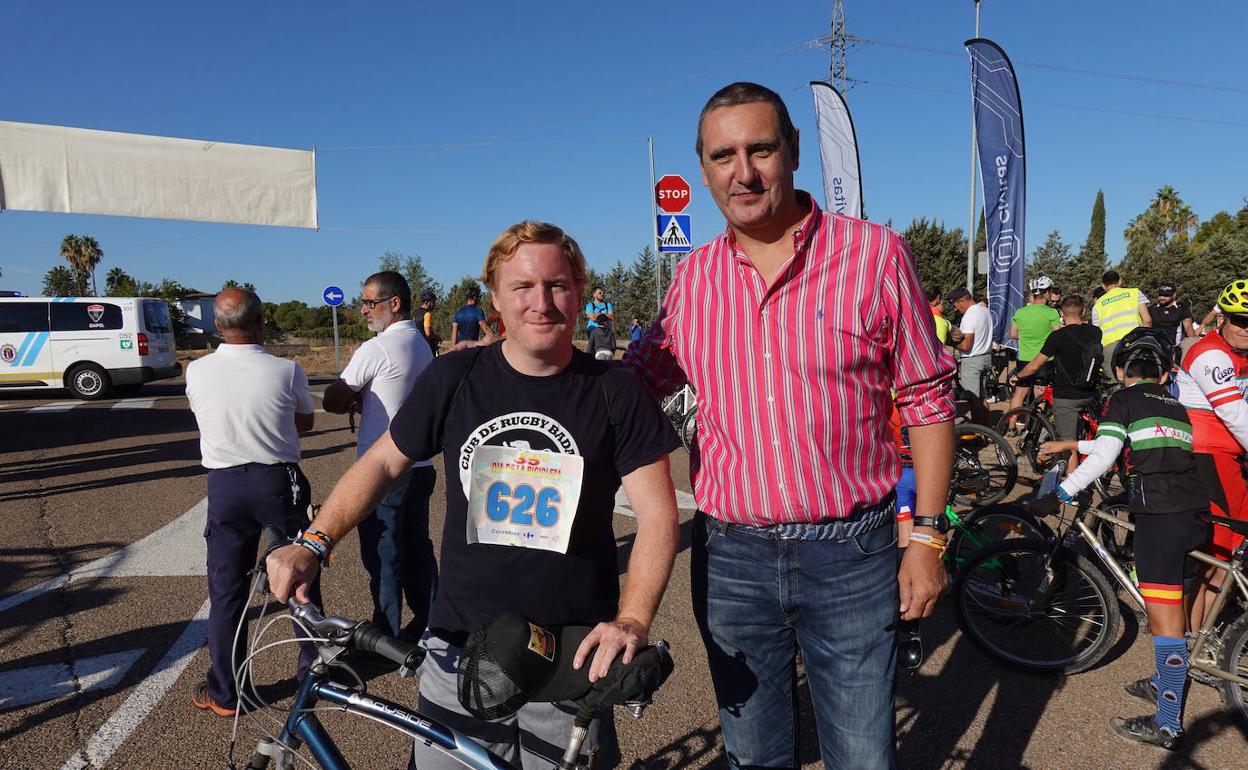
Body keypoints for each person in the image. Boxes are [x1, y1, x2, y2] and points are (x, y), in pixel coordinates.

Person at [624, 81, 955, 769]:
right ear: (706, 168)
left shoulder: (875, 256)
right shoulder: (694, 281)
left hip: (853, 556)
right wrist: (510, 364)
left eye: (760, 149)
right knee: (754, 755)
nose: (743, 172)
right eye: (723, 156)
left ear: (794, 152)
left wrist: (926, 536)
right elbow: (630, 386)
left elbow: (927, 398)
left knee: (863, 755)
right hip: (733, 560)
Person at [268, 221, 681, 769]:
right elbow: (383, 463)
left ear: (579, 290)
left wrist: (632, 620)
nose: (541, 303)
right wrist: (314, 542)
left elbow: (657, 516)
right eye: (522, 287)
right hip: (459, 647)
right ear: (495, 300)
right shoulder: (454, 377)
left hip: (571, 653)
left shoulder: (616, 390)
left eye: (557, 285)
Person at [1033, 328, 1209, 750]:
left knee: (1165, 625)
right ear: (1165, 374)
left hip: (1160, 518)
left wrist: (1060, 494)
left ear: (1118, 370)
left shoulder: (1122, 399)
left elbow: (1107, 455)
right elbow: (1132, 438)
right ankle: (1162, 680)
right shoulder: (1175, 405)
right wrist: (1071, 441)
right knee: (1177, 610)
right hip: (1193, 512)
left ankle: (1167, 723)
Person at [185, 288, 320, 717]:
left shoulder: (196, 370)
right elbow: (307, 421)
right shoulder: (285, 369)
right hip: (278, 481)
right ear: (260, 323)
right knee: (301, 581)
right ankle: (312, 678)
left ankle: (227, 693)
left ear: (218, 326)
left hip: (225, 486)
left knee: (226, 591)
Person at [322, 271, 438, 640]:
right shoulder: (420, 343)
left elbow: (332, 399)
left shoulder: (377, 348)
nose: (363, 310)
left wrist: (353, 398)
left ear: (394, 304)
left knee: (383, 554)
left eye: (370, 303)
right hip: (419, 465)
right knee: (418, 548)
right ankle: (430, 623)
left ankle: (385, 635)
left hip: (384, 471)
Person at [1175, 280, 1248, 627]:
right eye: (1240, 320)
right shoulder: (1211, 355)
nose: (1247, 329)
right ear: (1223, 319)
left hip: (1231, 454)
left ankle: (1209, 624)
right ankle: (1197, 634)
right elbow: (1234, 413)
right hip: (1209, 454)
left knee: (1234, 547)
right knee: (1221, 550)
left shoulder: (1239, 350)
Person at [1015, 295, 1103, 474]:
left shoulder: (1057, 337)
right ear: (1083, 311)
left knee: (1067, 443)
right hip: (1090, 392)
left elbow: (1035, 365)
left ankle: (1073, 489)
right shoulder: (1095, 332)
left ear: (1061, 313)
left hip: (1067, 396)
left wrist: (1017, 376)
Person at [1006, 276, 1061, 420]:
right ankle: (1036, 425)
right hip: (1044, 360)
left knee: (1019, 394)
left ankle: (1011, 426)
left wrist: (1026, 337)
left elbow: (1012, 334)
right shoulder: (1051, 313)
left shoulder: (1020, 312)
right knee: (1040, 394)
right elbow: (1058, 334)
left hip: (1024, 358)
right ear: (1047, 293)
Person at [1093, 270, 1151, 381]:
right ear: (1120, 281)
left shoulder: (1098, 304)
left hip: (1109, 347)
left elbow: (1096, 332)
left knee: (1114, 385)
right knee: (1137, 380)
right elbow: (1147, 320)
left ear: (1103, 286)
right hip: (1134, 342)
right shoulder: (1135, 293)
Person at [948, 287, 993, 400]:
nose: (955, 309)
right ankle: (983, 418)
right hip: (986, 357)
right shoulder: (984, 310)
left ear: (961, 301)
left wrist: (948, 341)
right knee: (981, 399)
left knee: (973, 400)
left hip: (973, 361)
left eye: (955, 305)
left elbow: (965, 346)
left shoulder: (969, 316)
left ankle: (977, 418)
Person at [1149, 284, 1196, 353]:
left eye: (1166, 295)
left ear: (1174, 295)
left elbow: (1188, 326)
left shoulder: (1181, 308)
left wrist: (1193, 343)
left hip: (1175, 348)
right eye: (1160, 295)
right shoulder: (1152, 309)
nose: (1162, 298)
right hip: (1155, 347)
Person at [418, 289, 441, 355]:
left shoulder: (415, 313)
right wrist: (438, 338)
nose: (434, 304)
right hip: (427, 346)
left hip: (416, 344)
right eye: (433, 302)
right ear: (428, 302)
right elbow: (428, 333)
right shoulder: (427, 314)